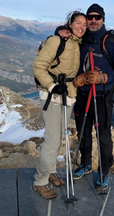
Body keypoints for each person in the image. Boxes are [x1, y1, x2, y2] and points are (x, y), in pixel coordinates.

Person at [57, 4, 114, 190]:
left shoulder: (113, 42)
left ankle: (104, 171)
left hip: (102, 96)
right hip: (82, 94)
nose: (93, 20)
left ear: (103, 19)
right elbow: (68, 32)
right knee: (82, 132)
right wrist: (60, 30)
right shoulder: (83, 38)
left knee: (103, 136)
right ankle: (86, 164)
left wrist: (104, 77)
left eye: (97, 17)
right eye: (90, 17)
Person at [32, 11, 86, 199]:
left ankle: (50, 170)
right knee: (52, 139)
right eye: (78, 23)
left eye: (84, 25)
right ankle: (40, 181)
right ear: (70, 24)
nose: (82, 27)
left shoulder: (77, 43)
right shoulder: (57, 41)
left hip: (69, 94)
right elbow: (38, 66)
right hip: (53, 95)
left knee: (59, 137)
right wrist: (52, 86)